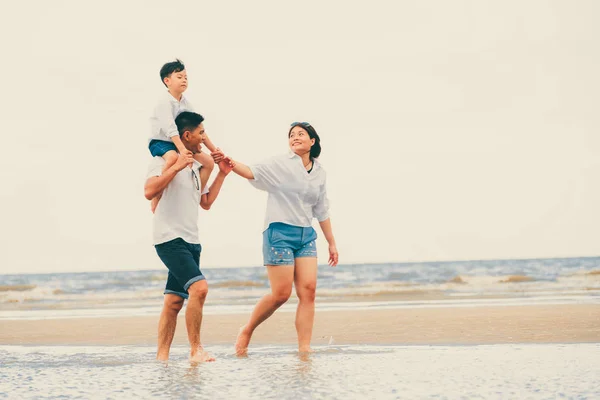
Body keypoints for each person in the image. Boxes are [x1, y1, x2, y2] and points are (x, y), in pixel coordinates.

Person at [219, 121, 339, 356]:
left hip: (306, 235)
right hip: (279, 233)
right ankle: (247, 329)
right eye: (291, 135)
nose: (295, 137)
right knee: (281, 294)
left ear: (312, 141)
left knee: (309, 291)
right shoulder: (280, 164)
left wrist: (331, 242)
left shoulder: (320, 172)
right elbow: (251, 171)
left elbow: (321, 210)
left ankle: (304, 347)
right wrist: (230, 164)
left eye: (301, 134)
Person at [144, 111, 232, 363]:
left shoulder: (196, 167)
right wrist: (176, 167)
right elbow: (149, 191)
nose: (204, 138)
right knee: (200, 288)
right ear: (187, 135)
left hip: (192, 241)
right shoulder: (163, 160)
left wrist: (222, 174)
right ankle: (196, 350)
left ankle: (162, 358)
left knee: (173, 302)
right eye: (201, 133)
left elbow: (205, 202)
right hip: (169, 239)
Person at [148, 59, 220, 212]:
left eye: (186, 77)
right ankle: (156, 198)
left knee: (208, 162)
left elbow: (199, 129)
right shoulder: (164, 102)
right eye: (179, 77)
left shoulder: (186, 104)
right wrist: (182, 151)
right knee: (173, 158)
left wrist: (214, 151)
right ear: (167, 81)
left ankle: (195, 193)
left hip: (178, 144)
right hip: (161, 142)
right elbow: (171, 129)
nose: (184, 80)